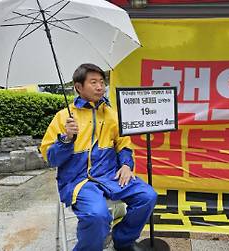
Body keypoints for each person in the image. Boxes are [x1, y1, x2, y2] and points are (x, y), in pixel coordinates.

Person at [40, 63, 157, 251]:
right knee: (97, 215)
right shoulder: (64, 118)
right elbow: (51, 158)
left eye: (102, 82)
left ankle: (123, 240)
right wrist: (66, 139)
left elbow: (124, 144)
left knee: (148, 196)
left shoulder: (112, 115)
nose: (99, 87)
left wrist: (126, 165)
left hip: (110, 176)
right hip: (78, 181)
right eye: (93, 82)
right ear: (78, 87)